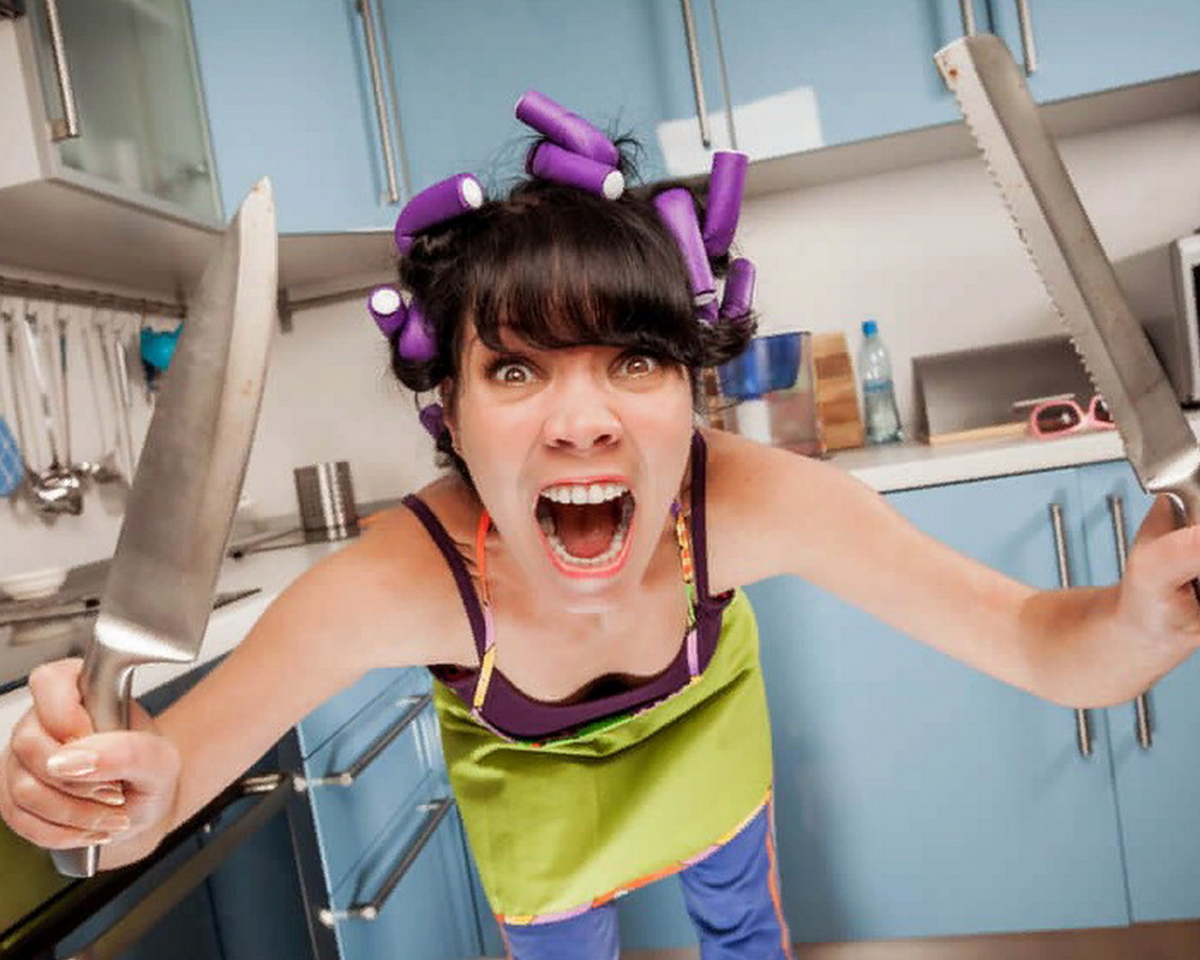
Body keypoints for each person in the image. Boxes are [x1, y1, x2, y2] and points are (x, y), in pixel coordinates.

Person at [3, 92, 1200, 960]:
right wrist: (103, 799)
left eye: (634, 358)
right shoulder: (400, 581)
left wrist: (1144, 618)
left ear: (694, 390)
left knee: (743, 930)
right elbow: (167, 781)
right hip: (537, 808)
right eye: (517, 370)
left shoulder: (747, 500)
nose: (582, 423)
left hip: (707, 749)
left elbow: (1047, 649)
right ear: (450, 412)